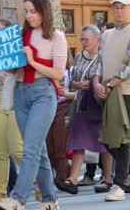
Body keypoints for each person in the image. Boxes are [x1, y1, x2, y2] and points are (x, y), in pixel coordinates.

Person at [0, 0, 67, 210]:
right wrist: (1, 62)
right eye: (26, 11)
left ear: (44, 12)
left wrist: (32, 61)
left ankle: (18, 199)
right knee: (37, 150)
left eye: (33, 11)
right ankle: (50, 200)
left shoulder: (57, 36)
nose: (29, 15)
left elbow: (58, 73)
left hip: (43, 93)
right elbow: (12, 67)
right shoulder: (18, 34)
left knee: (31, 149)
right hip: (19, 92)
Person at [93, 0, 130, 201]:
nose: (118, 11)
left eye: (122, 7)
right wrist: (97, 81)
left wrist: (112, 82)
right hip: (107, 90)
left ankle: (119, 184)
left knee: (121, 138)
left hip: (127, 91)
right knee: (107, 138)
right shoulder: (106, 35)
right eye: (115, 7)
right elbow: (100, 61)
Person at [56, 25, 111, 196]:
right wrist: (77, 84)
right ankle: (72, 180)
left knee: (104, 141)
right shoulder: (80, 55)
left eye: (86, 39)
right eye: (82, 39)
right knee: (78, 140)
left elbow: (106, 77)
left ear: (96, 39)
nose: (83, 42)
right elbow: (72, 79)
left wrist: (93, 83)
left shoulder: (104, 56)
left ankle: (108, 178)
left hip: (98, 103)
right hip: (82, 102)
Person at [0, 18, 23, 207]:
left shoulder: (16, 50)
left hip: (15, 98)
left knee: (17, 148)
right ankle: (0, 192)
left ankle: (40, 186)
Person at [45, 47, 74, 188]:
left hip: (64, 106)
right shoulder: (47, 70)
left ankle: (62, 178)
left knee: (59, 145)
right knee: (48, 146)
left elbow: (78, 91)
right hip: (48, 106)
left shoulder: (71, 71)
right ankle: (64, 173)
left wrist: (66, 92)